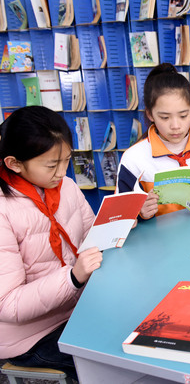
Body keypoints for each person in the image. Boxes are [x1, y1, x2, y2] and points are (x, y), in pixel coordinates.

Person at [0, 106, 103, 380]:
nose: (61, 172)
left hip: (75, 310)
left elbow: (92, 236)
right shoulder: (3, 210)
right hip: (31, 337)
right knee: (110, 363)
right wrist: (72, 277)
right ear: (14, 164)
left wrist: (116, 229)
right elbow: (8, 304)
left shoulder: (65, 186)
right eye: (51, 165)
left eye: (66, 160)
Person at [117, 63, 190, 219]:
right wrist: (139, 213)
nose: (175, 126)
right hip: (158, 242)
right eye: (165, 117)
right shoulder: (133, 159)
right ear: (150, 114)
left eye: (183, 115)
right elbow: (120, 217)